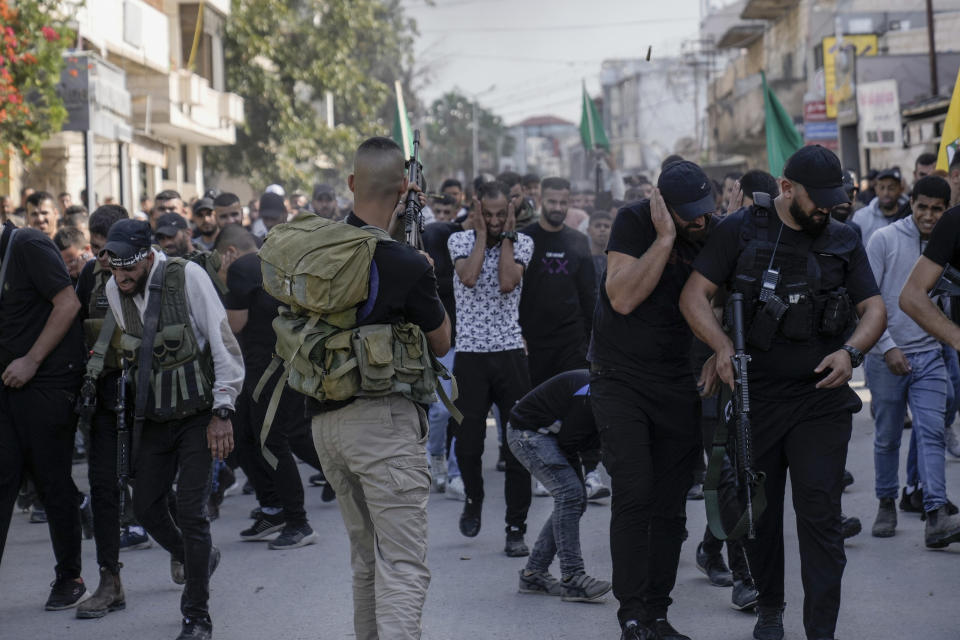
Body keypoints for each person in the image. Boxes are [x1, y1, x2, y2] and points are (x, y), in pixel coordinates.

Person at [680, 145, 885, 640]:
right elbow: (693, 297)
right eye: (819, 200)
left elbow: (875, 309)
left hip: (821, 399)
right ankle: (770, 608)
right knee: (762, 516)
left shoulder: (844, 237)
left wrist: (851, 353)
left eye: (836, 200)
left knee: (821, 519)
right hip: (758, 399)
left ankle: (821, 630)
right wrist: (722, 345)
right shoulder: (740, 231)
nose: (827, 210)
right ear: (786, 187)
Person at [304, 136, 450, 639]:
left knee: (366, 563)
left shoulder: (316, 247)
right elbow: (441, 340)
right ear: (406, 189)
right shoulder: (405, 263)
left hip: (326, 425)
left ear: (350, 183)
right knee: (404, 565)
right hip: (383, 424)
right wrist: (421, 264)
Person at [589, 160, 716, 640]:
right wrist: (665, 239)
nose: (700, 222)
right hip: (618, 377)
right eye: (689, 215)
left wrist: (717, 346)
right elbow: (621, 296)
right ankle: (632, 614)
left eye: (707, 210)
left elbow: (718, 298)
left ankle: (658, 612)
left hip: (674, 380)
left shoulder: (711, 229)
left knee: (670, 505)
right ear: (661, 204)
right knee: (635, 491)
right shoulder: (634, 221)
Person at [102, 219, 244, 640]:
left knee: (192, 511)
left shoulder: (189, 278)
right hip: (153, 418)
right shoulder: (115, 290)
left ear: (149, 257)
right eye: (114, 268)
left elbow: (224, 345)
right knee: (145, 507)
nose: (121, 277)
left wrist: (223, 411)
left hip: (200, 414)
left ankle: (196, 615)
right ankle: (196, 557)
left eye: (129, 267)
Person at [0, 213, 90, 611]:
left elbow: (68, 303)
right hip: (8, 385)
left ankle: (70, 577)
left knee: (52, 483)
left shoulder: (28, 245)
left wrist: (32, 360)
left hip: (47, 382)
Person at [863, 175, 957, 542]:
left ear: (947, 210)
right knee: (887, 437)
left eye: (937, 209)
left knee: (932, 431)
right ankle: (886, 503)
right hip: (885, 357)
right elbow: (867, 302)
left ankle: (935, 512)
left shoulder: (947, 241)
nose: (929, 216)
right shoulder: (883, 240)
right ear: (911, 202)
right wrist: (888, 347)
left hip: (930, 354)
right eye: (922, 207)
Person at [218, 224, 323, 548]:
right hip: (286, 362)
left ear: (230, 252)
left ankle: (298, 521)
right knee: (250, 438)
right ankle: (274, 509)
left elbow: (234, 325)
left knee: (271, 442)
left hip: (266, 369)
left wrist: (224, 282)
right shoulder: (275, 262)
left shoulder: (239, 268)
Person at [448, 180, 533, 555]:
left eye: (502, 215)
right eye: (490, 214)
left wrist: (508, 236)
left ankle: (516, 527)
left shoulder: (523, 244)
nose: (496, 221)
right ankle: (473, 499)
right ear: (477, 208)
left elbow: (505, 282)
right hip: (469, 355)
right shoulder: (458, 242)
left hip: (510, 353)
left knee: (517, 444)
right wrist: (481, 234)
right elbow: (468, 277)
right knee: (467, 444)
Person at [518, 177, 607, 500]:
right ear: (542, 199)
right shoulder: (525, 239)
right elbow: (515, 291)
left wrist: (591, 343)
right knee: (540, 411)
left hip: (573, 341)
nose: (557, 208)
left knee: (584, 407)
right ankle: (543, 473)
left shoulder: (577, 242)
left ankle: (591, 473)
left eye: (562, 202)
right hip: (535, 342)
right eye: (552, 202)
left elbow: (588, 296)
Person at [509, 369, 612, 603]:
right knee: (570, 495)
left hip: (554, 434)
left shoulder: (607, 388)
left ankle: (533, 575)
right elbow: (573, 440)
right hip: (529, 434)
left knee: (575, 499)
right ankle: (572, 577)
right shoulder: (593, 394)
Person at [587, 210, 613, 291]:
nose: (602, 229)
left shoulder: (618, 260)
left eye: (606, 226)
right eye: (598, 226)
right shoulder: (582, 259)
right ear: (588, 230)